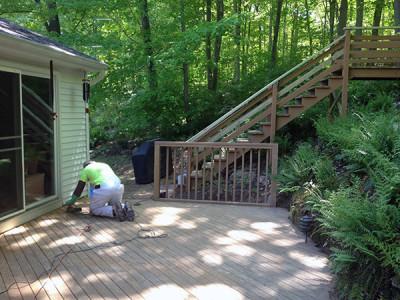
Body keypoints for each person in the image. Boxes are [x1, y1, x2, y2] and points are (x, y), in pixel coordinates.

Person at [64, 160, 134, 221]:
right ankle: (125, 207)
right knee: (113, 205)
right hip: (118, 186)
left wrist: (71, 201)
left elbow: (79, 188)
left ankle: (115, 211)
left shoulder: (86, 170)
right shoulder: (104, 165)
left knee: (95, 209)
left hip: (105, 188)